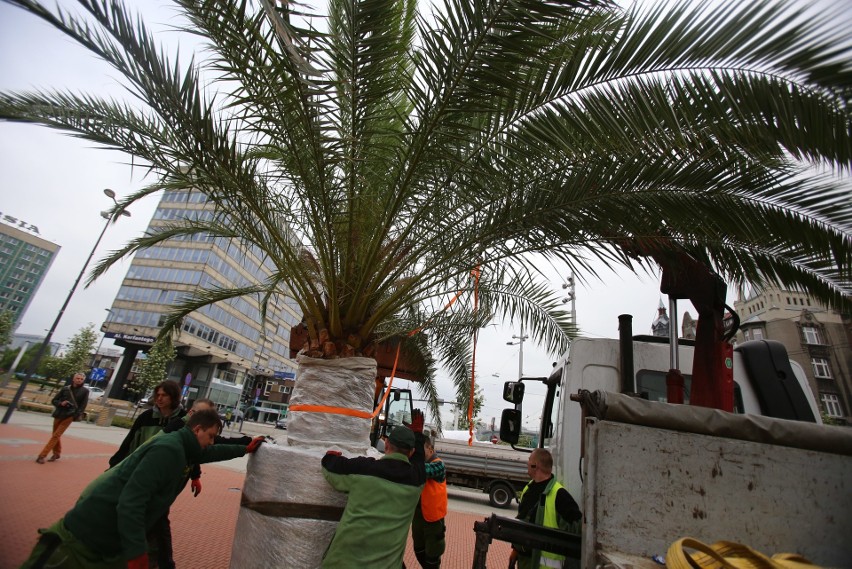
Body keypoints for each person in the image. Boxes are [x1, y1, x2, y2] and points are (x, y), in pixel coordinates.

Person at [21, 409, 266, 568]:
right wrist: (137, 555)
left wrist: (244, 448)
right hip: (79, 541)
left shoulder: (187, 448)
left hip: (108, 545)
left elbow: (213, 451)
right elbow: (131, 503)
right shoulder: (169, 450)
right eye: (211, 436)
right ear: (197, 429)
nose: (212, 442)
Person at [321, 412, 427, 568]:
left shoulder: (363, 468)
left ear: (387, 444)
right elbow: (419, 462)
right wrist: (418, 435)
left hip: (343, 562)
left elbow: (330, 467)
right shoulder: (416, 481)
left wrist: (330, 456)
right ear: (410, 452)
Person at [509, 448, 581, 569]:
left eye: (529, 460)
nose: (527, 463)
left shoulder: (559, 495)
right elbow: (522, 522)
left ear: (535, 465)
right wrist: (515, 550)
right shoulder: (528, 489)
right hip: (525, 563)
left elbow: (578, 529)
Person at [109, 380, 184, 468]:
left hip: (167, 469)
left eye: (164, 395)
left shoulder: (183, 418)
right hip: (142, 466)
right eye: (158, 395)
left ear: (174, 397)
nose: (159, 398)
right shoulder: (145, 417)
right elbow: (130, 441)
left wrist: (195, 474)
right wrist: (115, 463)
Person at [411, 434, 447, 569]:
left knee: (433, 554)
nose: (419, 453)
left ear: (430, 449)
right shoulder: (418, 465)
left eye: (422, 449)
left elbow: (424, 471)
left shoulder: (438, 464)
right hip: (419, 517)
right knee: (418, 549)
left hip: (433, 520)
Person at [36, 373, 89, 464]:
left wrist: (75, 415)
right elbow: (54, 400)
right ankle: (57, 453)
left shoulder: (85, 391)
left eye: (81, 379)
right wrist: (61, 403)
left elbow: (83, 406)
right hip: (59, 413)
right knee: (55, 434)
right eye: (77, 378)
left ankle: (42, 455)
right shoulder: (65, 389)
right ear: (73, 379)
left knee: (56, 435)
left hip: (70, 415)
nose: (79, 380)